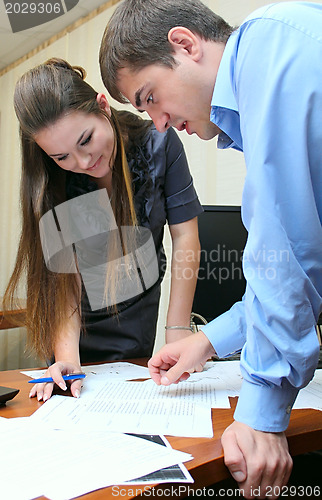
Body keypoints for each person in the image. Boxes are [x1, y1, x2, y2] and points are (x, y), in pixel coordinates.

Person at [99, 1, 322, 498]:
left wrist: (262, 413)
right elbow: (311, 267)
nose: (158, 123)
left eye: (151, 96)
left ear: (185, 44)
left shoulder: (270, 50)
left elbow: (287, 255)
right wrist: (210, 340)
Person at [4, 57, 202, 402]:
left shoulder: (159, 145)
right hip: (72, 326)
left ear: (102, 106)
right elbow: (66, 276)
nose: (82, 163)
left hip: (136, 320)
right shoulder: (56, 178)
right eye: (61, 156)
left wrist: (178, 330)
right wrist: (66, 357)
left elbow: (185, 237)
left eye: (86, 140)